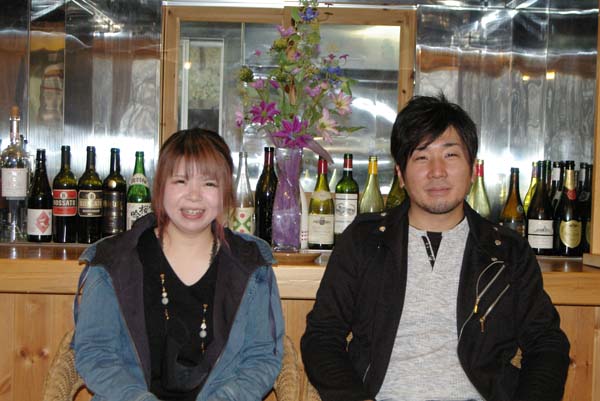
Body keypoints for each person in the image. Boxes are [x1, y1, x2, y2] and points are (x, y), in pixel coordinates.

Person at [301, 94, 570, 401]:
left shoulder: (507, 250)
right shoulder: (364, 240)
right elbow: (322, 336)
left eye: (450, 155)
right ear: (401, 174)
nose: (437, 171)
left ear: (472, 169)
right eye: (421, 157)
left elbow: (546, 343)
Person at [73, 128, 284, 401]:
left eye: (209, 184)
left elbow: (261, 358)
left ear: (225, 192)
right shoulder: (114, 260)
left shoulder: (251, 265)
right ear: (160, 187)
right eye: (181, 181)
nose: (194, 196)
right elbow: (96, 353)